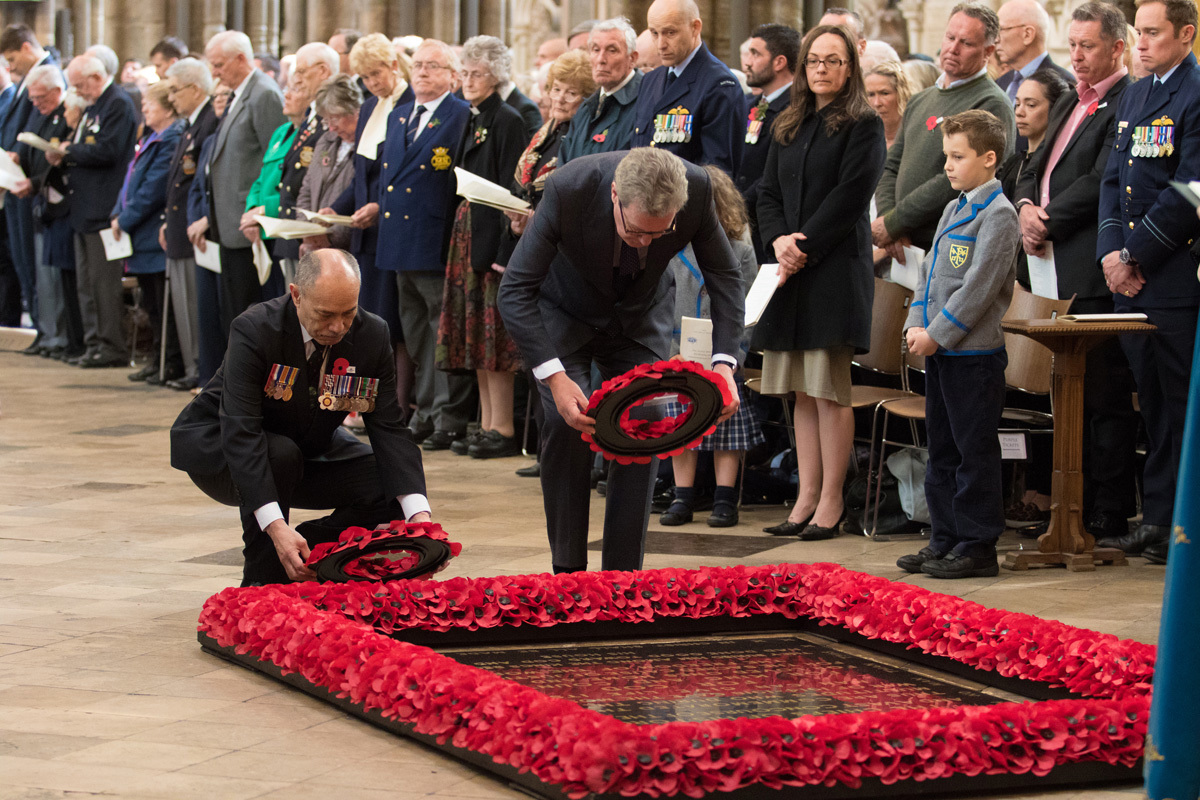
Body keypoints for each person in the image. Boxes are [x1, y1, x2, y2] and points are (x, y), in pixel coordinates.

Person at [498, 148, 743, 573]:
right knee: (566, 423)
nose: (645, 242)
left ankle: (623, 576)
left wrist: (725, 364)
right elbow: (514, 291)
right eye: (635, 231)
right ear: (615, 195)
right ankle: (569, 571)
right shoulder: (567, 188)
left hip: (639, 316)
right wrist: (554, 377)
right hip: (566, 312)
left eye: (658, 233)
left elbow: (724, 276)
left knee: (643, 424)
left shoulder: (698, 188)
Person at [169, 249, 431, 586]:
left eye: (348, 313)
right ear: (296, 295)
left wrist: (419, 517)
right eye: (325, 314)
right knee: (277, 454)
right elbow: (241, 430)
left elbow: (390, 429)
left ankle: (310, 555)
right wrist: (277, 528)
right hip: (223, 450)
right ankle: (262, 583)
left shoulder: (372, 334)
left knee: (392, 481)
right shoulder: (255, 329)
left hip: (305, 444)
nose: (337, 327)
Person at [751, 24, 887, 541]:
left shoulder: (863, 124)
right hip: (788, 272)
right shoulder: (789, 120)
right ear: (803, 67)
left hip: (831, 272)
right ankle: (804, 496)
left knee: (829, 392)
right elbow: (766, 192)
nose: (822, 69)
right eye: (814, 61)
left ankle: (832, 500)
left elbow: (852, 197)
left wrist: (801, 247)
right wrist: (778, 243)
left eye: (833, 60)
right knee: (798, 395)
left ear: (849, 67)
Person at [1013, 1, 1137, 542]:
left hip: (1088, 263)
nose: (1078, 57)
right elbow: (1032, 163)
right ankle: (1070, 499)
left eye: (1088, 47)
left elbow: (1101, 177)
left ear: (1117, 47)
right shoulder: (1068, 101)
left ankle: (1107, 506)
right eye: (1074, 46)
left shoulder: (1126, 100)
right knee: (1065, 393)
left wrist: (1047, 220)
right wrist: (1021, 206)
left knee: (1104, 394)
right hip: (1048, 270)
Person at [1094, 0, 1200, 565]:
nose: (1141, 44)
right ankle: (1158, 519)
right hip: (1128, 277)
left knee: (1182, 405)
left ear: (1187, 33)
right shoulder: (1135, 94)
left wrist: (1136, 253)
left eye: (1154, 34)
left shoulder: (1195, 93)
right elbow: (1115, 180)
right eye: (1138, 33)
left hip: (1171, 275)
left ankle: (1181, 522)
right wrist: (1112, 253)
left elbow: (1192, 190)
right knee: (1152, 405)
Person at [897, 109, 1019, 579]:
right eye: (946, 155)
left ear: (989, 159)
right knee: (942, 450)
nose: (947, 165)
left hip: (974, 357)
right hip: (941, 353)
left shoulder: (999, 214)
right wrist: (915, 322)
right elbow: (928, 277)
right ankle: (944, 538)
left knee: (974, 452)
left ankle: (977, 545)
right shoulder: (954, 207)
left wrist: (937, 332)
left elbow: (979, 289)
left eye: (957, 156)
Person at [434, 36, 529, 455]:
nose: (468, 81)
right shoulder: (473, 116)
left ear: (495, 76)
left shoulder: (507, 118)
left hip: (490, 236)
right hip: (467, 230)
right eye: (465, 73)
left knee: (495, 339)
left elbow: (512, 188)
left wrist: (499, 252)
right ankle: (487, 422)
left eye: (476, 74)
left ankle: (503, 427)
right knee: (475, 338)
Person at [659, 165, 764, 527]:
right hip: (681, 355)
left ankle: (724, 498)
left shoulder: (739, 250)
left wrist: (734, 357)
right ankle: (682, 496)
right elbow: (661, 304)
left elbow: (746, 308)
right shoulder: (671, 248)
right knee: (680, 424)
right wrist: (670, 351)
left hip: (724, 356)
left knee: (727, 429)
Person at [323, 33, 419, 427]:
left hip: (389, 230)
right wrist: (336, 209)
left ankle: (387, 406)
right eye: (364, 77)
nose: (371, 83)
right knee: (356, 322)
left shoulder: (411, 104)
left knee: (387, 325)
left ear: (394, 66)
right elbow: (362, 176)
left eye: (376, 74)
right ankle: (352, 402)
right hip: (363, 231)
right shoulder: (368, 108)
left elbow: (395, 177)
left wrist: (380, 207)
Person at [873, 3, 1016, 257]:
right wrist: (888, 219)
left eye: (966, 43)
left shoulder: (990, 103)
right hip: (902, 244)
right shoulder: (920, 100)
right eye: (950, 37)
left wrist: (896, 222)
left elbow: (958, 177)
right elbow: (891, 164)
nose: (953, 48)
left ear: (988, 51)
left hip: (951, 245)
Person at [45, 55, 138, 369]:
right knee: (86, 283)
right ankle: (94, 343)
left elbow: (108, 149)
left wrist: (69, 150)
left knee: (104, 284)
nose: (77, 91)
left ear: (97, 78)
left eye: (81, 85)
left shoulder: (118, 104)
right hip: (83, 209)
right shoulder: (94, 106)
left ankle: (112, 347)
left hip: (103, 208)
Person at [201, 30, 285, 336]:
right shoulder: (240, 94)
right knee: (234, 310)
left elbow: (275, 159)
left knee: (249, 311)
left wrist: (260, 210)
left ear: (240, 58)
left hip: (249, 220)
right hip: (229, 220)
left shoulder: (264, 94)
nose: (214, 72)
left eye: (219, 64)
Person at [10, 65, 83, 361]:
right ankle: (50, 333)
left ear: (56, 91)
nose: (36, 103)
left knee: (57, 276)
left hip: (61, 206)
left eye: (41, 97)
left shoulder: (67, 115)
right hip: (41, 204)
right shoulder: (43, 116)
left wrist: (35, 181)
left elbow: (61, 162)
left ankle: (62, 337)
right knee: (42, 275)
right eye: (32, 99)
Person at [112, 81, 182, 383]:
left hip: (153, 233)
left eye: (149, 105)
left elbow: (153, 189)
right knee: (150, 304)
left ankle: (169, 361)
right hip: (140, 236)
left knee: (161, 304)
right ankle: (156, 359)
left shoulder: (170, 139)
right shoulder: (152, 138)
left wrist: (125, 219)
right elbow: (131, 180)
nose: (144, 110)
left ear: (166, 107)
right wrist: (118, 212)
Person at [631, 0, 745, 176]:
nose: (660, 44)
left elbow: (717, 174)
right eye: (654, 33)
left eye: (670, 33)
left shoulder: (719, 85)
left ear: (695, 28)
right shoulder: (650, 80)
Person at [157, 57, 217, 393]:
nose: (171, 99)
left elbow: (203, 179)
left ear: (195, 89)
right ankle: (194, 366)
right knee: (184, 302)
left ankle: (200, 368)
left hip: (197, 227)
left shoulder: (208, 120)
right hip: (182, 223)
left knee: (195, 304)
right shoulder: (192, 123)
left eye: (175, 91)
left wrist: (199, 218)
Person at [0, 24, 56, 353]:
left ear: (25, 47)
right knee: (21, 261)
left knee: (30, 264)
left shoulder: (44, 73)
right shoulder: (25, 83)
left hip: (30, 183)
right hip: (16, 180)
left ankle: (41, 329)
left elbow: (36, 126)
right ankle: (38, 329)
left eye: (11, 58)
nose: (10, 66)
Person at [272, 42, 339, 283]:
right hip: (296, 228)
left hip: (313, 230)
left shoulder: (331, 112)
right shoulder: (312, 114)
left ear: (323, 71)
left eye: (301, 71)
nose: (296, 79)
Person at [737, 23, 800, 263]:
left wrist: (738, 204)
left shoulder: (796, 108)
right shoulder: (751, 104)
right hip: (744, 225)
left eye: (756, 54)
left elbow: (777, 170)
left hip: (771, 227)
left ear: (779, 62)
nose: (748, 62)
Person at [238, 75, 306, 267]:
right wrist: (251, 209)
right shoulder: (281, 131)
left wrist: (264, 210)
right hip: (262, 228)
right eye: (286, 89)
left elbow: (299, 186)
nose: (287, 95)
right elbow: (261, 178)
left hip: (282, 224)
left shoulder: (308, 135)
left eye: (295, 90)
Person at [558, 17, 643, 164]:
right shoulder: (586, 108)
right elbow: (563, 167)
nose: (601, 59)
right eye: (595, 50)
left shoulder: (646, 102)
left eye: (612, 50)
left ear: (632, 58)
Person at [296, 75, 362, 256]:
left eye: (335, 119)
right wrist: (308, 233)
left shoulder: (367, 145)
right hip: (314, 245)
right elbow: (306, 190)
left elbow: (359, 197)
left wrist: (330, 238)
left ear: (354, 111)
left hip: (348, 248)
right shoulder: (326, 141)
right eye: (327, 120)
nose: (331, 127)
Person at [998, 69, 1069, 196]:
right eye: (1018, 104)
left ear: (1056, 108)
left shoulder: (1060, 167)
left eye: (1031, 105)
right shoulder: (1012, 164)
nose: (1019, 112)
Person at [995, 0, 1076, 104]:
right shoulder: (1001, 82)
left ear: (1028, 35)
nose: (996, 39)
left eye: (1001, 30)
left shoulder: (1063, 84)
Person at [865, 60, 914, 149]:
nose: (877, 103)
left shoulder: (915, 139)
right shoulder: (863, 141)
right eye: (871, 95)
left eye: (884, 93)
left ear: (902, 94)